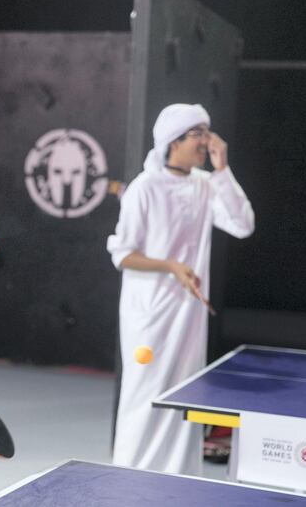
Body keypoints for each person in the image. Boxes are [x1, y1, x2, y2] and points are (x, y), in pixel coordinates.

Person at [107, 103, 254, 475]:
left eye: (207, 132)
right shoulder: (144, 188)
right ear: (173, 141)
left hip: (189, 317)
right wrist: (171, 266)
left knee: (184, 398)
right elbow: (122, 254)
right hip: (149, 314)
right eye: (197, 133)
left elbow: (242, 224)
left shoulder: (205, 184)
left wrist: (222, 171)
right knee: (145, 399)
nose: (206, 141)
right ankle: (128, 478)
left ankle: (180, 482)